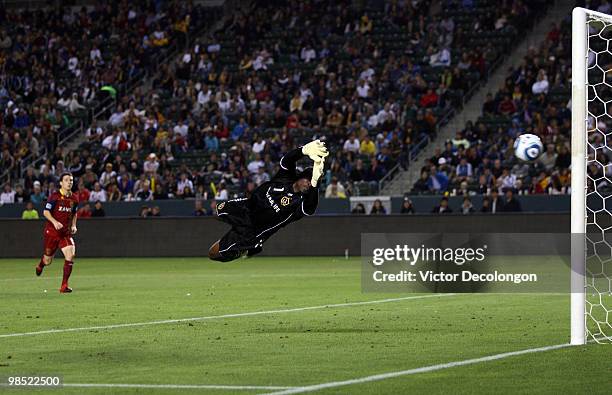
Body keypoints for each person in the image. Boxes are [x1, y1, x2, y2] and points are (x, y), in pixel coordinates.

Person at [209, 140, 328, 262]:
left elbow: (310, 208)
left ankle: (242, 249)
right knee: (214, 211)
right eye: (308, 180)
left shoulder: (300, 203)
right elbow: (287, 160)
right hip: (246, 207)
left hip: (254, 231)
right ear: (300, 177)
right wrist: (303, 150)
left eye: (312, 183)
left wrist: (315, 183)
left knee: (213, 254)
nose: (309, 184)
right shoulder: (285, 178)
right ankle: (238, 237)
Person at [35, 172, 79, 293]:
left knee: (70, 254)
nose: (69, 182)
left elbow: (75, 212)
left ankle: (64, 286)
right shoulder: (54, 196)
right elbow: (46, 212)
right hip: (52, 233)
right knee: (48, 260)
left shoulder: (74, 198)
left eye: (71, 180)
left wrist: (74, 225)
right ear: (61, 183)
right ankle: (41, 265)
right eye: (66, 180)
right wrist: (54, 222)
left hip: (65, 233)